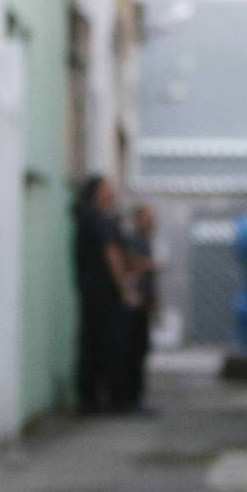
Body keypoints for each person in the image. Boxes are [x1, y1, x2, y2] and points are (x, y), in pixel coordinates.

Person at [73, 175, 138, 414]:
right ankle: (106, 400)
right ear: (97, 192)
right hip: (103, 294)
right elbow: (111, 255)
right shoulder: (97, 219)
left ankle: (93, 401)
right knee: (106, 346)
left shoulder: (90, 218)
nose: (112, 193)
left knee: (93, 345)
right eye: (107, 188)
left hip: (93, 292)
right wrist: (125, 290)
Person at [118, 203, 158, 412]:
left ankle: (135, 398)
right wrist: (150, 264)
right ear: (139, 219)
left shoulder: (144, 240)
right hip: (134, 303)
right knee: (133, 352)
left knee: (140, 351)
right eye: (148, 217)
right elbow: (130, 265)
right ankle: (129, 399)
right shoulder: (133, 239)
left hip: (143, 302)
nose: (152, 221)